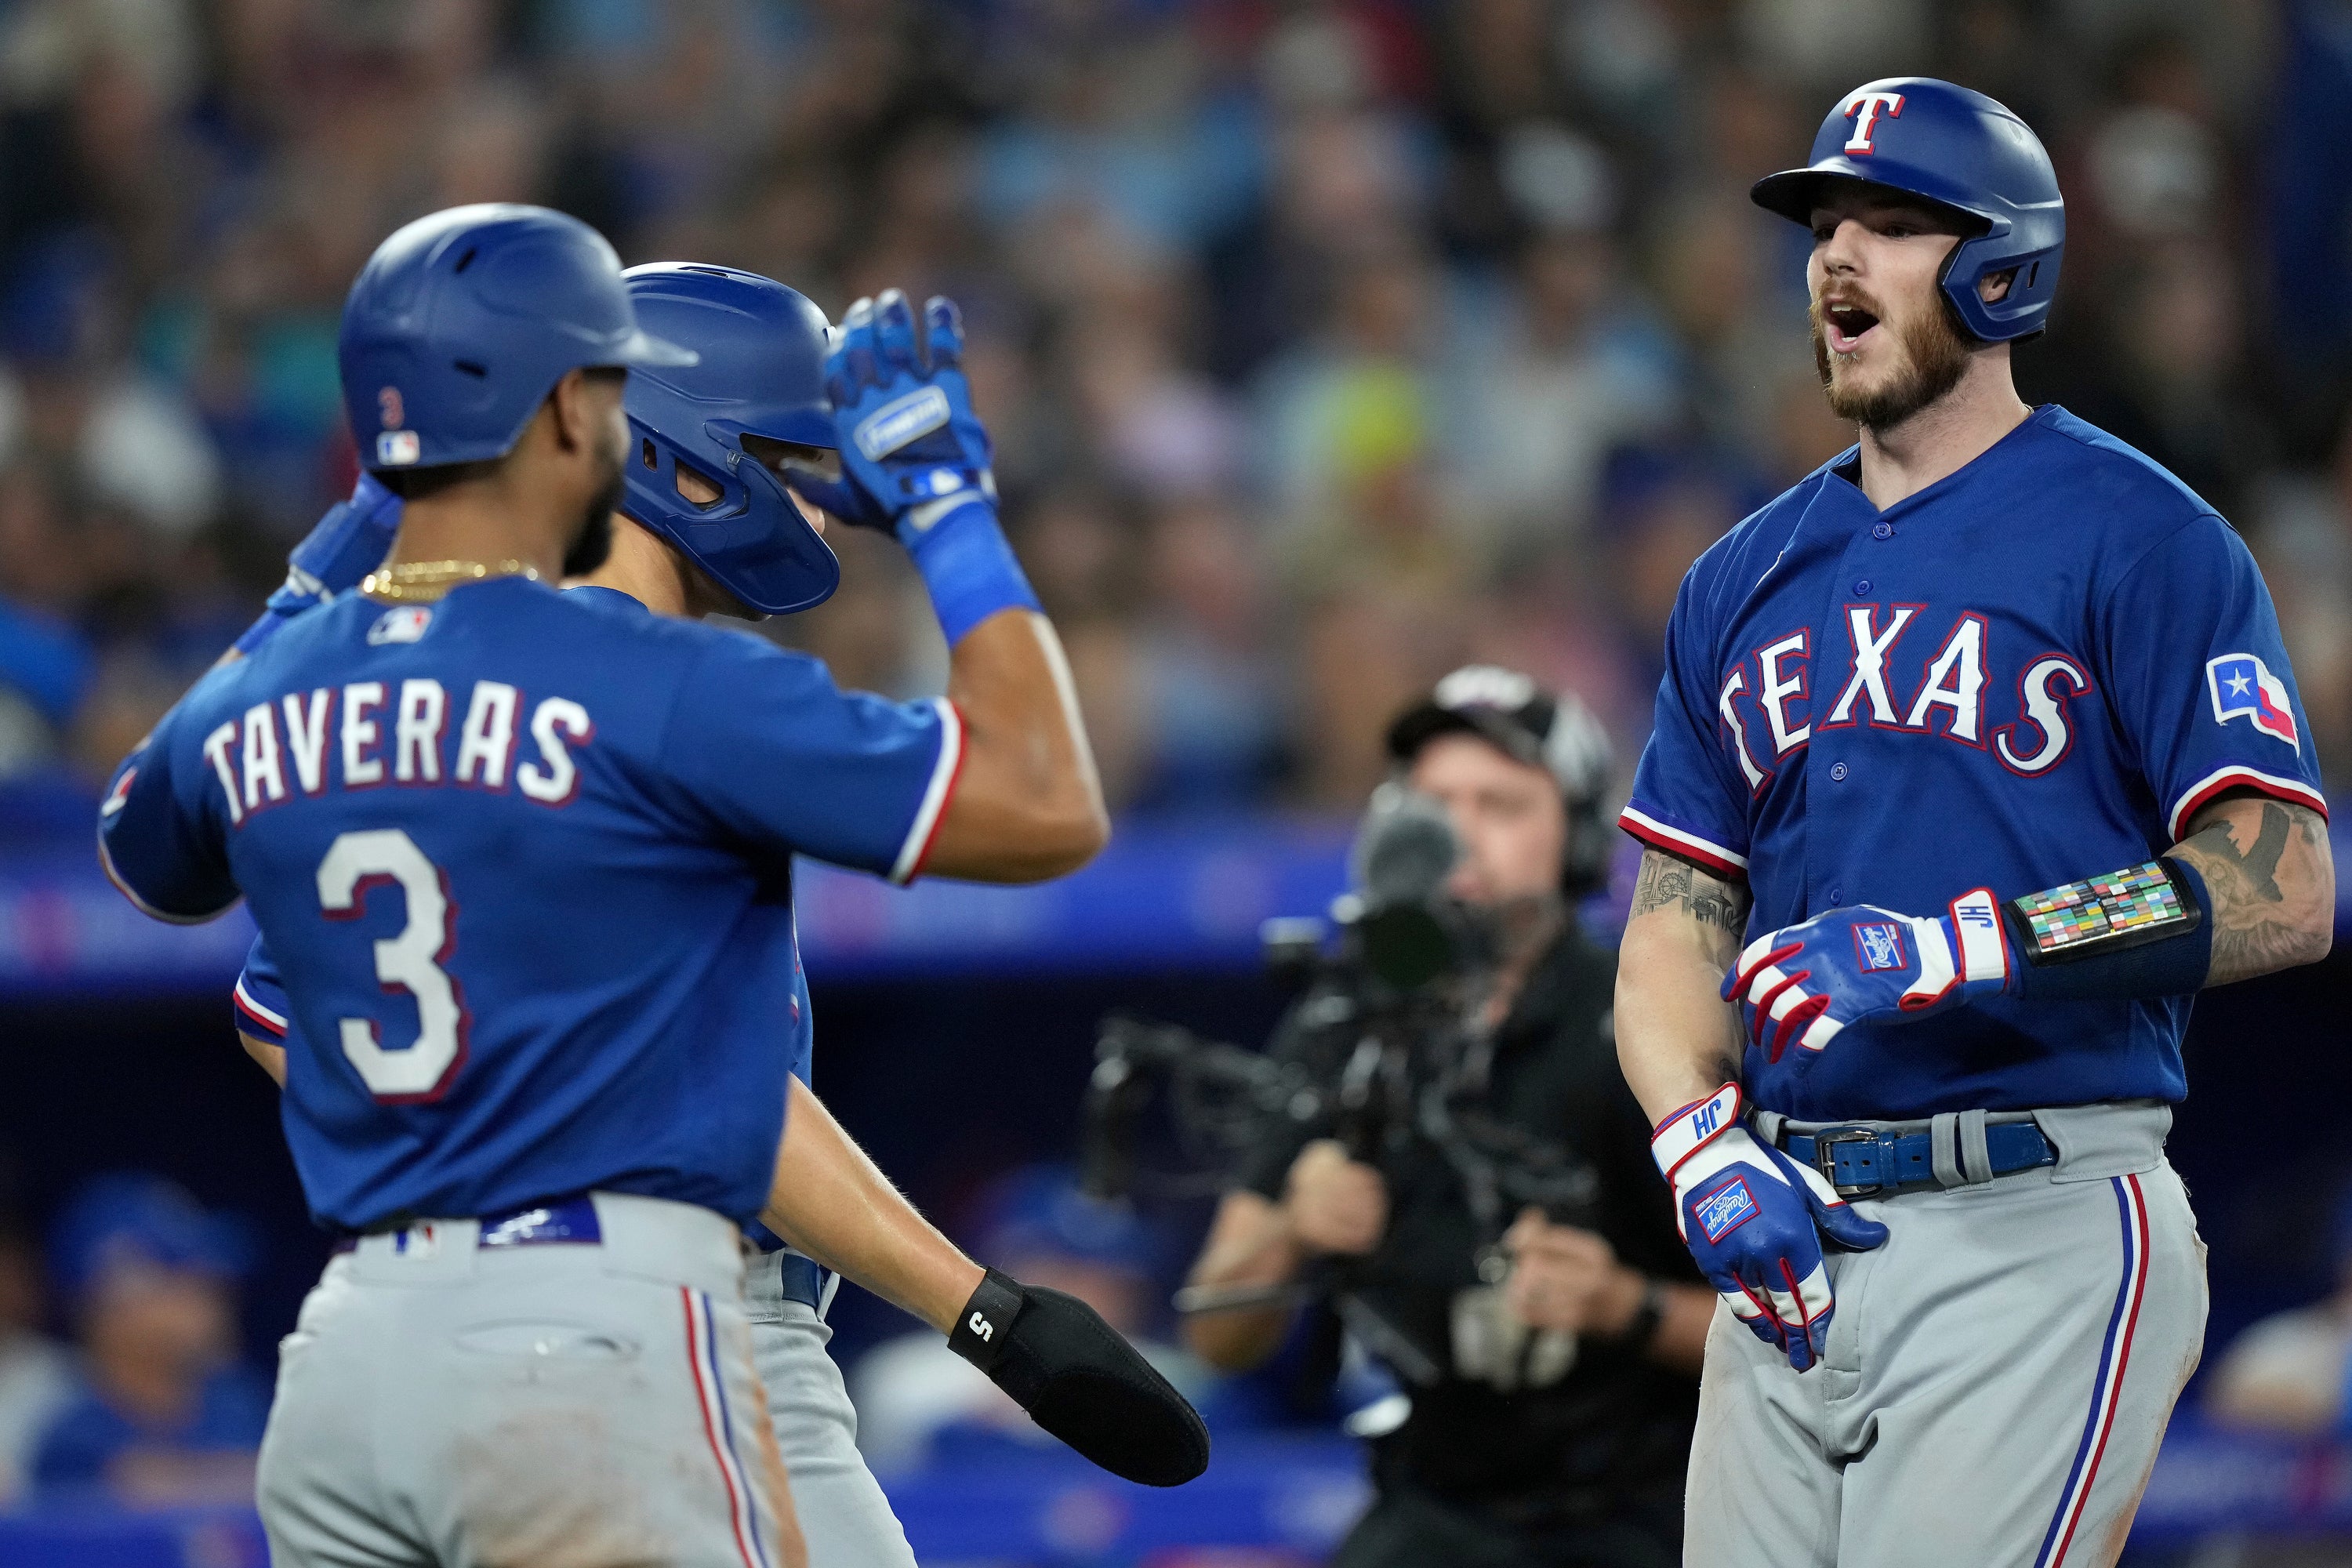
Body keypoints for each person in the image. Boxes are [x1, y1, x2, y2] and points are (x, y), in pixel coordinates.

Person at [93, 204, 1196, 1568]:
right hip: (620, 1321)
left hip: (359, 1351)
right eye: (793, 458)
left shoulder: (308, 674)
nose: (820, 499)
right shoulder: (650, 683)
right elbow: (1042, 801)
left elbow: (163, 870)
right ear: (611, 430)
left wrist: (326, 565)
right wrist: (948, 508)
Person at [1613, 79, 2336, 1566]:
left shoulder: (2144, 536)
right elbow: (1672, 927)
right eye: (1825, 224)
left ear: (2002, 267)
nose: (1836, 258)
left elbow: (2285, 883)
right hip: (1791, 1246)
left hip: (2040, 1217)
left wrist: (1973, 944)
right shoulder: (1737, 577)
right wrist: (1696, 1143)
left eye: (1889, 224)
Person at [1184, 666, 1713, 1568]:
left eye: (1501, 805)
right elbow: (1215, 1332)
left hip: (1648, 1509)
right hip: (1433, 1508)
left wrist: (1625, 1304)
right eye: (1431, 803)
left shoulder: (1643, 1018)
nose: (1459, 832)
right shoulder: (1343, 1018)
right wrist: (1290, 1228)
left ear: (1580, 836)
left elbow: (1798, 1333)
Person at [28, 1174, 265, 1507]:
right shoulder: (76, 1439)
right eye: (184, 1281)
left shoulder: (239, 1404)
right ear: (114, 1306)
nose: (212, 1301)